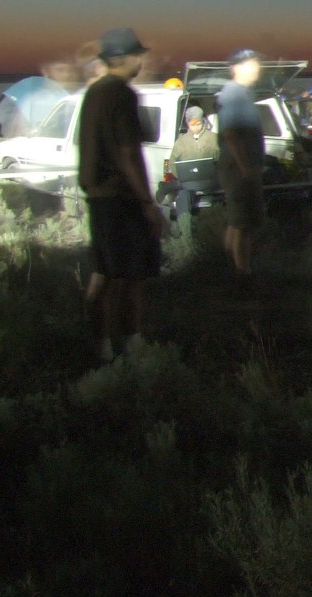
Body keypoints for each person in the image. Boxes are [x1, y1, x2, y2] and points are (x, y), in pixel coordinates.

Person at [78, 27, 165, 361]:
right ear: (124, 58)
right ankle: (131, 346)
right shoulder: (122, 95)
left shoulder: (94, 92)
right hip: (120, 198)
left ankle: (99, 348)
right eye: (137, 56)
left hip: (98, 197)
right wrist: (147, 202)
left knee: (103, 273)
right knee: (131, 276)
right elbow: (128, 152)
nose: (141, 62)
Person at [217, 48, 266, 276]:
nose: (257, 68)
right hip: (239, 169)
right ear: (236, 68)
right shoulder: (233, 94)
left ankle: (229, 269)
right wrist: (245, 168)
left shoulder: (243, 93)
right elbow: (231, 134)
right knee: (242, 224)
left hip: (242, 167)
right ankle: (241, 274)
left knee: (238, 221)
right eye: (252, 64)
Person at [167, 105, 220, 229]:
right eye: (192, 125)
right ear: (187, 124)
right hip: (188, 183)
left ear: (203, 122)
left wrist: (216, 171)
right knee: (184, 197)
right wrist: (182, 176)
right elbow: (173, 164)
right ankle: (185, 229)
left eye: (198, 124)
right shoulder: (181, 142)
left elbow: (223, 160)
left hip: (211, 182)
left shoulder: (214, 139)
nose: (195, 127)